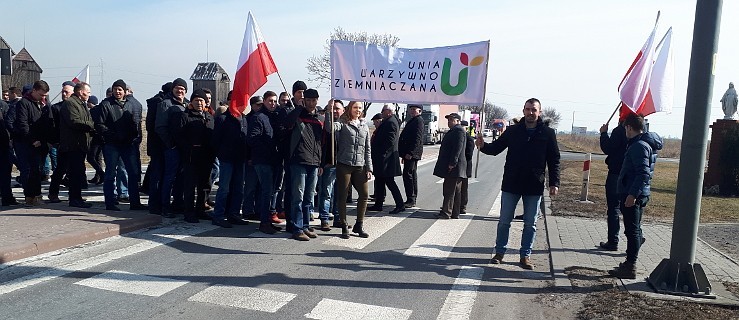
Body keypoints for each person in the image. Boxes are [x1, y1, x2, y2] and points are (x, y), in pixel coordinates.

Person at [476, 98, 560, 270]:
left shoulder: (548, 133)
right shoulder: (513, 131)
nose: (530, 112)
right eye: (528, 109)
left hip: (534, 184)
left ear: (539, 112)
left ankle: (525, 256)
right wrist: (483, 146)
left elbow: (554, 160)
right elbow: (496, 148)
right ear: (523, 111)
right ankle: (499, 252)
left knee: (530, 223)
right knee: (505, 221)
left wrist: (554, 182)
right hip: (512, 183)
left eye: (534, 110)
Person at [608, 113, 663, 279]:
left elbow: (643, 173)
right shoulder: (642, 144)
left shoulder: (639, 146)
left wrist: (632, 194)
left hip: (634, 194)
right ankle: (629, 262)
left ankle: (630, 265)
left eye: (625, 128)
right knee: (635, 230)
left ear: (629, 128)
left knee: (632, 231)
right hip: (637, 192)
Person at [94, 79, 147, 211]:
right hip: (112, 144)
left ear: (125, 91)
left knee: (133, 173)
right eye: (115, 89)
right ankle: (110, 203)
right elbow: (100, 124)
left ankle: (135, 202)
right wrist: (112, 135)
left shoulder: (130, 105)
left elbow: (135, 123)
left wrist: (134, 136)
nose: (117, 91)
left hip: (128, 144)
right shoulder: (106, 104)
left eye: (120, 89)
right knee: (110, 174)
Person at [325, 100, 373, 238]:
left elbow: (367, 149)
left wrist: (369, 168)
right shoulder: (343, 122)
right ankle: (344, 224)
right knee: (343, 195)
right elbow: (330, 129)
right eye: (355, 107)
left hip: (360, 166)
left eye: (360, 108)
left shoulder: (364, 125)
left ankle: (359, 224)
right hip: (344, 164)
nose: (358, 110)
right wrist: (329, 111)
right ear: (350, 108)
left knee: (364, 195)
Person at [172, 89, 216, 224]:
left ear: (205, 102)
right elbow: (178, 136)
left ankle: (201, 209)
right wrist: (189, 148)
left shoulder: (209, 116)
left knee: (205, 185)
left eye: (201, 100)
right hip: (191, 157)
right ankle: (189, 212)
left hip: (207, 156)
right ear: (191, 102)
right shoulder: (185, 116)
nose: (199, 103)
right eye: (196, 100)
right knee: (190, 186)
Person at [284, 88, 323, 241]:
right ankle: (297, 228)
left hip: (314, 162)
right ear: (304, 100)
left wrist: (320, 162)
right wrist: (299, 107)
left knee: (309, 197)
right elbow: (287, 124)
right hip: (298, 160)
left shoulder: (318, 118)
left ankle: (306, 226)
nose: (311, 103)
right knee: (297, 197)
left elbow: (320, 143)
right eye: (308, 100)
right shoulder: (298, 115)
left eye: (314, 100)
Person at [211, 96, 250, 227]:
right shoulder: (223, 118)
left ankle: (234, 214)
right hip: (227, 159)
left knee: (239, 188)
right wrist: (221, 154)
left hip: (240, 159)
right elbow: (215, 140)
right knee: (224, 188)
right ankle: (218, 215)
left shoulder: (244, 119)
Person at [247, 93, 281, 233]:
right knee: (266, 191)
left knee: (270, 191)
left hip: (273, 160)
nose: (273, 103)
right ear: (264, 102)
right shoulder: (258, 117)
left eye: (275, 101)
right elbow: (253, 139)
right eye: (270, 101)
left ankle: (267, 219)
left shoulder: (273, 117)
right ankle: (264, 223)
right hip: (262, 160)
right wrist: (268, 149)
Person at [154, 78, 189, 215]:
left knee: (181, 177)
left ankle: (178, 203)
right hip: (172, 149)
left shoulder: (187, 105)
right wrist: (171, 145)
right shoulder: (165, 104)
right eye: (177, 88)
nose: (180, 91)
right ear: (173, 89)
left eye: (182, 89)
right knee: (169, 177)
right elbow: (160, 127)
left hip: (184, 148)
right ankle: (165, 206)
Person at [14, 80, 50, 206]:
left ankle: (36, 195)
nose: (43, 97)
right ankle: (31, 196)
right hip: (28, 143)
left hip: (42, 142)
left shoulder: (43, 104)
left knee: (37, 170)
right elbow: (23, 123)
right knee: (29, 171)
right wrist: (33, 140)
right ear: (34, 91)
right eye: (41, 94)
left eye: (45, 95)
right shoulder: (24, 103)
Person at [59, 82, 95, 208]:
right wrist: (91, 126)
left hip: (80, 144)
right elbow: (74, 121)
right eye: (88, 92)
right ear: (81, 92)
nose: (89, 95)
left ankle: (77, 197)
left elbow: (87, 119)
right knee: (74, 173)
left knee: (78, 172)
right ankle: (74, 199)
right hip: (73, 144)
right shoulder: (70, 103)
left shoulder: (81, 104)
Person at [367, 104, 405, 214]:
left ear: (389, 111)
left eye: (383, 110)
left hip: (386, 159)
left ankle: (400, 204)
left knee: (390, 182)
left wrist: (381, 152)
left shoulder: (391, 122)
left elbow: (390, 141)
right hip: (382, 159)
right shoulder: (388, 121)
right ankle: (378, 204)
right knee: (379, 181)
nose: (381, 112)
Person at [598, 121, 628, 251]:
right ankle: (636, 237)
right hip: (631, 176)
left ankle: (613, 241)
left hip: (616, 173)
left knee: (614, 208)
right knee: (630, 209)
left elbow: (608, 148)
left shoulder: (619, 130)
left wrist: (604, 134)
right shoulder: (642, 132)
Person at [144, 82, 173, 216]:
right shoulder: (160, 103)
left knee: (159, 176)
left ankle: (156, 204)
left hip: (158, 145)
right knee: (158, 176)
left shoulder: (156, 102)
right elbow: (153, 126)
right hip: (159, 146)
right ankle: (156, 205)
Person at [317, 99, 345, 231]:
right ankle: (324, 219)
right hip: (329, 164)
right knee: (326, 193)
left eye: (337, 109)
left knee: (340, 194)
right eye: (333, 109)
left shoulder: (345, 125)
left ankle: (339, 219)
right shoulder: (327, 125)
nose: (335, 111)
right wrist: (321, 163)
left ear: (343, 111)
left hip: (343, 165)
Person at [433, 113, 467, 219]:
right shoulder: (455, 130)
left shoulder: (459, 131)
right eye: (448, 120)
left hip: (455, 166)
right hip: (455, 166)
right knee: (455, 191)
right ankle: (454, 212)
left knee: (449, 190)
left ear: (457, 121)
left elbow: (458, 148)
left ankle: (446, 212)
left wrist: (452, 163)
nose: (449, 122)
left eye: (451, 120)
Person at [46, 82, 75, 203]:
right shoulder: (56, 108)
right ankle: (53, 193)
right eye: (63, 91)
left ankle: (74, 195)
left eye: (66, 92)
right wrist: (54, 141)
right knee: (59, 170)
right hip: (62, 143)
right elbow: (52, 126)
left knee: (75, 170)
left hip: (75, 143)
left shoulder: (77, 106)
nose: (63, 94)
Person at [398, 104, 424, 208]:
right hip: (409, 153)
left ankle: (411, 199)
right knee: (411, 174)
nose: (412, 111)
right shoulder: (413, 120)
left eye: (414, 110)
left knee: (408, 175)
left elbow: (417, 138)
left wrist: (410, 153)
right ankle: (411, 198)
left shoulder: (418, 121)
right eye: (411, 109)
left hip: (412, 154)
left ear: (420, 111)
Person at [86, 95, 104, 185]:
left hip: (95, 137)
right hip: (102, 137)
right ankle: (98, 177)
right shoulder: (100, 110)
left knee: (90, 157)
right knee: (98, 158)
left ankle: (101, 174)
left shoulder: (93, 112)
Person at [460, 120, 475, 214]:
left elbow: (469, 154)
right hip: (458, 166)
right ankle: (454, 204)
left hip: (465, 166)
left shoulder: (469, 138)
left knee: (463, 188)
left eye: (463, 127)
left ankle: (462, 206)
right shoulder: (458, 137)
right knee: (456, 188)